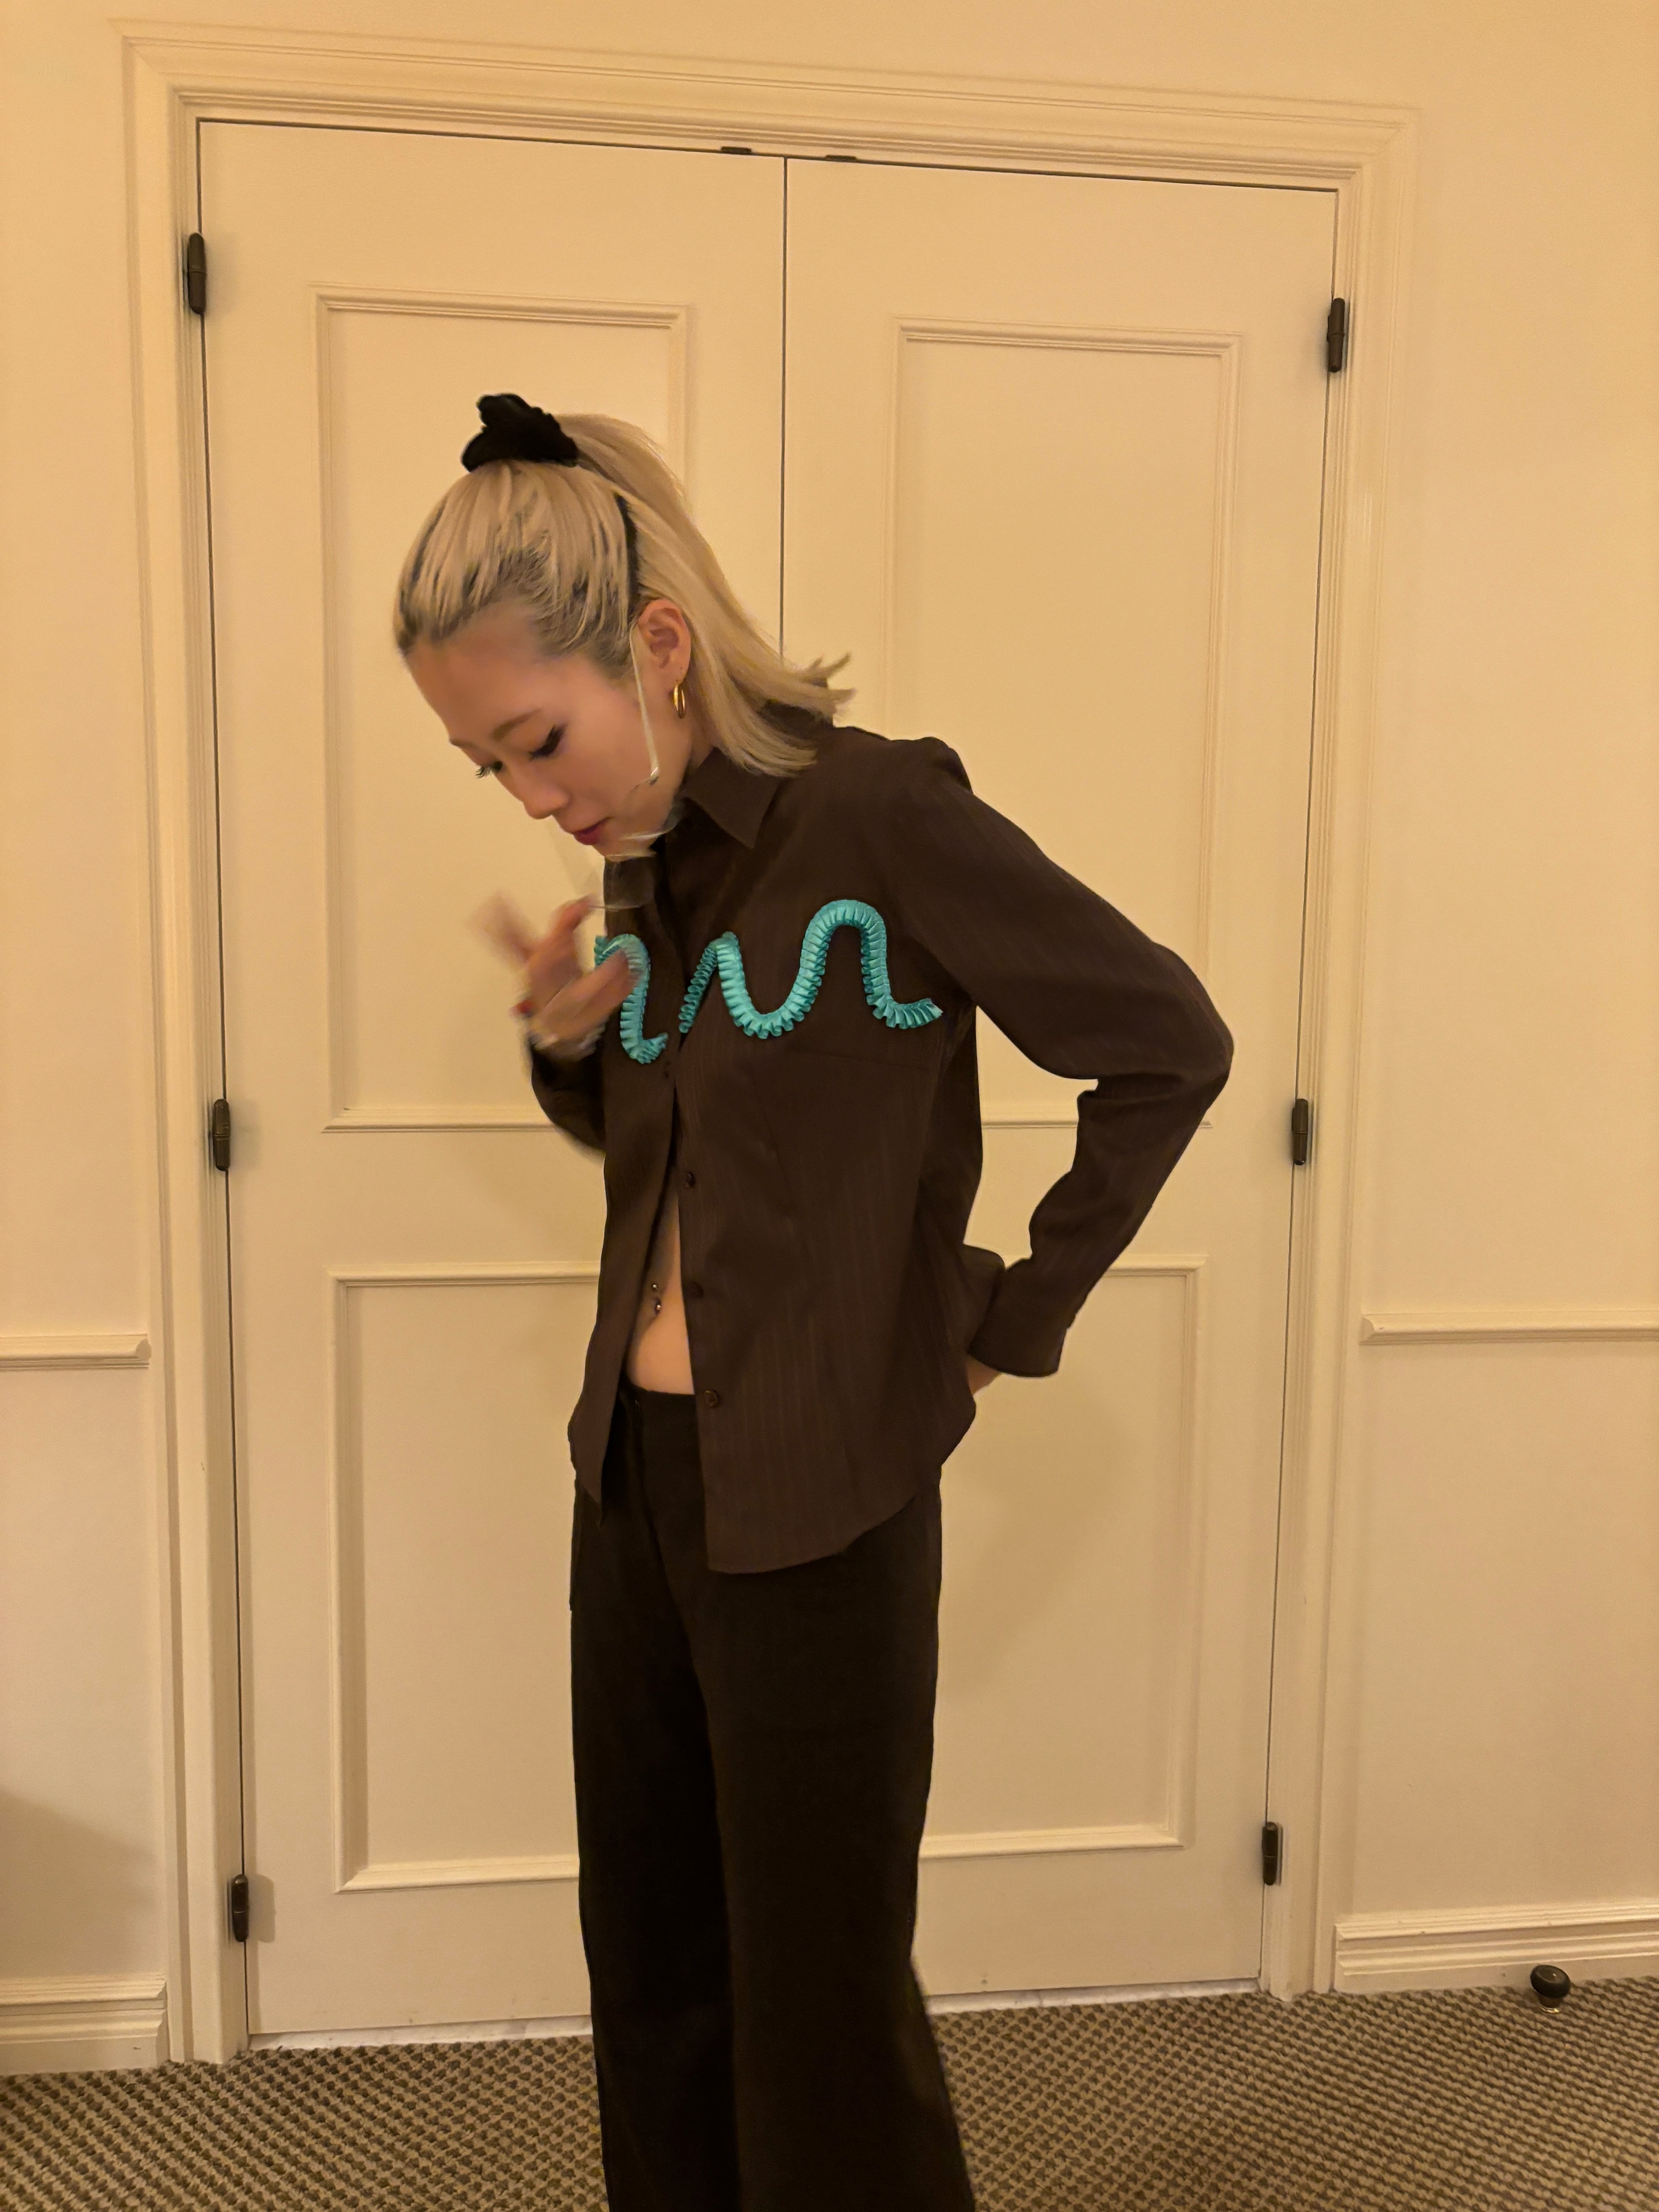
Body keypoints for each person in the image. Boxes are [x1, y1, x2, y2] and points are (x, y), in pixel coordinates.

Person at [394, 393, 1233, 2212]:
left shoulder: (882, 819)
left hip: (823, 1496)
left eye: (537, 741)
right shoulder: (643, 863)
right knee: (658, 1978)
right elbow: (682, 1159)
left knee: (820, 2006)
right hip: (635, 1489)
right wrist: (574, 1048)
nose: (535, 799)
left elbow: (1167, 1045)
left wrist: (1006, 1318)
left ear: (659, 649)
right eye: (490, 770)